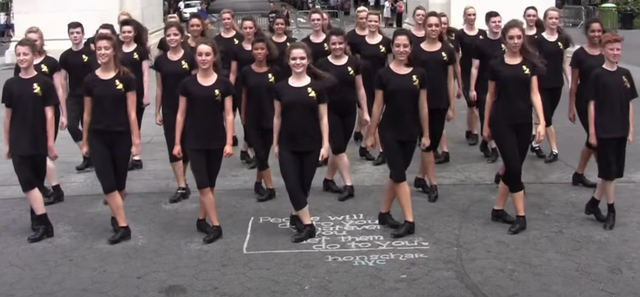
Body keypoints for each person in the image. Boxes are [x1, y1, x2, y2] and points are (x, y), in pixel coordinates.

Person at [483, 19, 545, 235]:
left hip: (523, 123)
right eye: (511, 38)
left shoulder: (529, 63)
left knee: (512, 167)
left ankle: (498, 210)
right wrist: (485, 125)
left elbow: (534, 94)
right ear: (505, 39)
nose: (516, 41)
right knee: (515, 169)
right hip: (501, 122)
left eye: (519, 37)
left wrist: (542, 122)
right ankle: (521, 217)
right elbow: (490, 96)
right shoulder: (496, 64)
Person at [366, 28, 429, 238]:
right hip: (389, 131)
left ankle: (384, 213)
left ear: (411, 48)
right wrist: (371, 133)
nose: (401, 49)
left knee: (396, 173)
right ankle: (410, 221)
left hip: (410, 131)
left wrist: (426, 134)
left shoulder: (419, 74)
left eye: (405, 46)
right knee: (400, 175)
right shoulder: (383, 74)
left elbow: (423, 107)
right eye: (397, 45)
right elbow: (377, 106)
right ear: (391, 47)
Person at [81, 33, 140, 244]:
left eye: (106, 48)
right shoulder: (90, 80)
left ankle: (115, 215)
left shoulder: (126, 78)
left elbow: (132, 113)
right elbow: (86, 114)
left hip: (121, 136)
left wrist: (136, 142)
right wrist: (85, 141)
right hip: (98, 137)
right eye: (99, 49)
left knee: (119, 185)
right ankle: (124, 227)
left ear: (114, 50)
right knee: (108, 184)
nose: (103, 52)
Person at [174, 39, 234, 244]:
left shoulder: (224, 83)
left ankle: (201, 219)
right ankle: (216, 226)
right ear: (195, 57)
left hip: (216, 141)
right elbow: (180, 115)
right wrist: (176, 143)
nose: (204, 58)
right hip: (194, 141)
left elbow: (228, 115)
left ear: (214, 56)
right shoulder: (187, 84)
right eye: (200, 55)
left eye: (207, 54)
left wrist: (228, 142)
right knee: (203, 185)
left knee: (210, 185)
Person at [273, 42, 330, 243]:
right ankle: (309, 226)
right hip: (287, 145)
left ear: (308, 61)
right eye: (294, 59)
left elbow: (323, 118)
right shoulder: (280, 87)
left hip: (311, 144)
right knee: (292, 184)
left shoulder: (318, 87)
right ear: (288, 61)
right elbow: (277, 117)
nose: (298, 62)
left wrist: (325, 145)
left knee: (303, 186)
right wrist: (275, 142)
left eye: (302, 58)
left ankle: (296, 215)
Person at [4, 38, 59, 243]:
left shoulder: (44, 83)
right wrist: (7, 143)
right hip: (19, 142)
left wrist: (50, 143)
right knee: (27, 183)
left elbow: (49, 115)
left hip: (38, 140)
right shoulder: (10, 84)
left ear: (34, 56)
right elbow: (7, 116)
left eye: (25, 54)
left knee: (36, 182)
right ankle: (45, 224)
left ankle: (36, 220)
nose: (21, 58)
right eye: (18, 54)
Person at [585, 32, 636, 231]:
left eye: (618, 50)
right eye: (612, 49)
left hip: (620, 130)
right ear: (604, 51)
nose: (616, 53)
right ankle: (611, 211)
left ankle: (593, 204)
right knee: (609, 174)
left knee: (611, 173)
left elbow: (629, 104)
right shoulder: (597, 74)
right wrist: (592, 132)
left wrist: (630, 128)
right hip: (603, 130)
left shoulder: (625, 74)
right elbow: (592, 104)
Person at [316, 28, 370, 201]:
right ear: (328, 45)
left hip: (349, 111)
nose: (337, 46)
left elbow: (360, 89)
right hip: (329, 111)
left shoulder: (354, 62)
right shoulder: (322, 64)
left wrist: (365, 111)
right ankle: (348, 184)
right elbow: (315, 89)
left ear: (345, 44)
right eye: (333, 44)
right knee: (338, 148)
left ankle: (328, 180)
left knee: (339, 149)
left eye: (340, 43)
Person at [15, 26, 66, 205]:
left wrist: (64, 113)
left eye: (35, 40)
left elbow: (59, 88)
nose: (32, 43)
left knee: (43, 151)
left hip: (48, 114)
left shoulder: (51, 63)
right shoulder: (21, 64)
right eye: (29, 40)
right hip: (28, 118)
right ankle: (43, 187)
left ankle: (55, 189)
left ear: (41, 41)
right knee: (34, 155)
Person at [411, 11, 456, 202]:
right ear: (425, 27)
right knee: (426, 144)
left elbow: (450, 80)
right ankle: (433, 183)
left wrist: (452, 106)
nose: (433, 29)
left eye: (436, 26)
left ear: (440, 27)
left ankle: (420, 178)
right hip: (421, 104)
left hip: (441, 103)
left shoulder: (448, 50)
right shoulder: (416, 51)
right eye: (430, 25)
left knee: (432, 143)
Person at [154, 22, 197, 204]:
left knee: (187, 147)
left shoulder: (190, 57)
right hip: (170, 108)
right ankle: (181, 185)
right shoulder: (160, 60)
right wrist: (157, 111)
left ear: (181, 37)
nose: (171, 38)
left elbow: (197, 84)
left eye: (175, 35)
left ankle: (183, 181)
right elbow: (159, 87)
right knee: (173, 145)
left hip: (190, 107)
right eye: (168, 35)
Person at [240, 37, 280, 202]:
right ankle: (270, 188)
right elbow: (243, 95)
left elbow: (279, 96)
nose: (259, 52)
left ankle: (258, 183)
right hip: (252, 119)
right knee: (260, 155)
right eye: (256, 49)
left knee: (263, 153)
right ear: (252, 51)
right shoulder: (246, 72)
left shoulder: (275, 71)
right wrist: (243, 117)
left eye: (262, 49)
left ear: (267, 51)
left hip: (270, 118)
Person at [531, 7, 572, 163]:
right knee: (546, 118)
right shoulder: (538, 40)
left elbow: (564, 62)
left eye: (556, 18)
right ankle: (554, 150)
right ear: (545, 20)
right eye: (551, 18)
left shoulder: (563, 39)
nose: (554, 21)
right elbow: (534, 61)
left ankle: (535, 143)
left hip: (556, 83)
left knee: (548, 117)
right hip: (541, 83)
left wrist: (569, 82)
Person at [351, 12, 391, 167]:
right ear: (366, 22)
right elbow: (356, 64)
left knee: (378, 117)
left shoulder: (387, 42)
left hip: (381, 83)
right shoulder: (359, 43)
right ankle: (380, 150)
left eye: (376, 21)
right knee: (372, 117)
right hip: (365, 83)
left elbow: (389, 63)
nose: (373, 23)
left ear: (379, 22)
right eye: (370, 21)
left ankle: (373, 149)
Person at [568, 18, 603, 189]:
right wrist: (571, 107)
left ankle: (579, 174)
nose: (596, 34)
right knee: (595, 137)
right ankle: (605, 172)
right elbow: (574, 83)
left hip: (604, 102)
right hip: (584, 102)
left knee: (593, 139)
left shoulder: (606, 51)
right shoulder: (579, 54)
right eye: (592, 31)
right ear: (586, 32)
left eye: (599, 31)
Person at [231, 17, 267, 169]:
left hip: (260, 88)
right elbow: (233, 72)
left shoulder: (261, 45)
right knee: (247, 120)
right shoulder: (237, 49)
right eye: (244, 28)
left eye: (250, 28)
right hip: (243, 89)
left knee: (259, 121)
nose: (247, 31)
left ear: (254, 28)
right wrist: (230, 90)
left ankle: (245, 149)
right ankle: (254, 153)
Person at [60, 22, 96, 172]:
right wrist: (65, 96)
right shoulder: (65, 56)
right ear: (69, 35)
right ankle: (88, 154)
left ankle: (91, 157)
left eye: (78, 33)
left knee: (89, 127)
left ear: (82, 34)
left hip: (89, 97)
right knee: (72, 126)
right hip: (73, 96)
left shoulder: (90, 53)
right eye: (72, 33)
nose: (75, 36)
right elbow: (62, 79)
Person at [470, 11, 504, 164]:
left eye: (499, 21)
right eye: (493, 22)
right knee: (486, 117)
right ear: (487, 24)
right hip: (483, 86)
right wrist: (472, 88)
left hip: (501, 86)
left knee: (498, 117)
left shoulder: (505, 42)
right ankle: (494, 148)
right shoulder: (480, 43)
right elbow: (475, 67)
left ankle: (485, 142)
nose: (497, 24)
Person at [119, 18, 151, 171]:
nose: (126, 35)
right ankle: (126, 153)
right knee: (124, 124)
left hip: (137, 92)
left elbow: (145, 73)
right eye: (124, 32)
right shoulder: (117, 50)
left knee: (135, 123)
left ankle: (136, 157)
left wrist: (146, 94)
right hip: (120, 93)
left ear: (134, 33)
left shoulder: (141, 50)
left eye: (129, 32)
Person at [434, 12, 463, 164]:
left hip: (446, 85)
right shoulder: (429, 43)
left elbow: (456, 65)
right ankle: (436, 146)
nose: (442, 27)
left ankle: (443, 149)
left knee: (441, 121)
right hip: (431, 86)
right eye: (440, 24)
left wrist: (460, 85)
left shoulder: (451, 44)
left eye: (445, 24)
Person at [455, 6, 486, 146]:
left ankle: (468, 128)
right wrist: (458, 78)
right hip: (466, 70)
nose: (472, 17)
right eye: (469, 14)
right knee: (472, 102)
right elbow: (456, 55)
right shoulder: (460, 34)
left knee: (476, 103)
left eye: (474, 14)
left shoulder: (482, 33)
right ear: (464, 16)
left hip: (481, 71)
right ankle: (474, 132)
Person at [214, 9, 244, 148]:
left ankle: (248, 139)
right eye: (224, 19)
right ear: (221, 21)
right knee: (226, 108)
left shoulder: (240, 37)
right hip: (222, 76)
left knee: (241, 107)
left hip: (240, 77)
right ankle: (231, 134)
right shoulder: (216, 39)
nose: (226, 21)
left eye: (228, 19)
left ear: (233, 20)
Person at [346, 6, 370, 145]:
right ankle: (360, 128)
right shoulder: (351, 36)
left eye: (366, 18)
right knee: (361, 103)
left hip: (373, 72)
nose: (364, 21)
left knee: (369, 104)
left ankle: (361, 128)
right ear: (357, 19)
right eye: (361, 18)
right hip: (357, 72)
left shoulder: (373, 33)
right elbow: (348, 54)